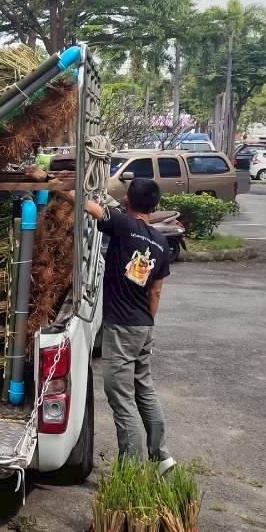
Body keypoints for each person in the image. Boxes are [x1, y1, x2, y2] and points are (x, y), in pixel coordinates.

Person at [64, 178, 175, 473]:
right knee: (144, 389)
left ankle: (130, 469)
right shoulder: (161, 242)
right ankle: (161, 455)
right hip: (144, 325)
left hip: (122, 326)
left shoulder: (124, 227)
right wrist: (146, 321)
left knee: (120, 397)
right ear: (155, 206)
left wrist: (51, 186)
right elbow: (156, 291)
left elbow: (85, 205)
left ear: (127, 201)